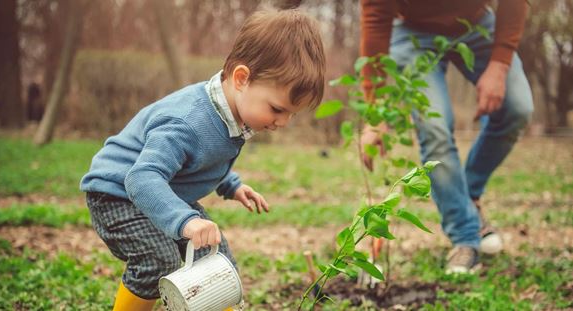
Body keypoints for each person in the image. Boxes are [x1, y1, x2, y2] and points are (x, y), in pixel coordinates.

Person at [80, 9, 325, 310]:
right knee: (159, 260)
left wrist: (231, 185)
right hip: (118, 196)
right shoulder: (187, 123)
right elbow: (141, 178)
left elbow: (202, 158)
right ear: (241, 78)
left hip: (165, 191)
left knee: (215, 257)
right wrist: (186, 221)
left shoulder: (233, 114)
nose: (283, 121)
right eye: (277, 109)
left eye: (291, 113)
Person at [359, 0, 533, 273]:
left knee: (517, 108)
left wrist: (499, 65)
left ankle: (469, 199)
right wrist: (374, 114)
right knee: (434, 128)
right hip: (412, 31)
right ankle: (465, 236)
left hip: (477, 24)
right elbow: (375, 16)